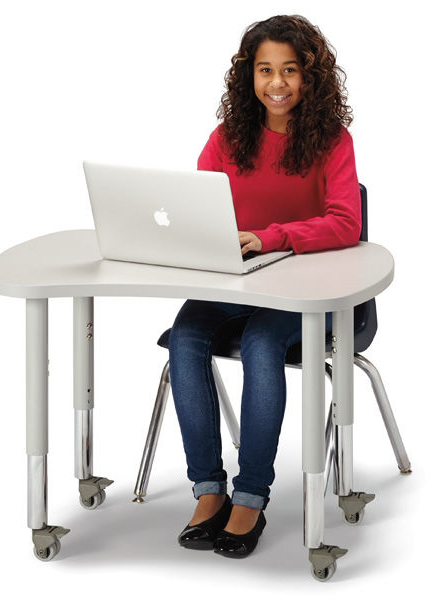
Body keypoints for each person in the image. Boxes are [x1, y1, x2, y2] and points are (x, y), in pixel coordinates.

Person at [171, 14, 361, 558]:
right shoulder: (227, 138)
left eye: (290, 70)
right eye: (265, 70)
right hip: (235, 282)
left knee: (260, 344)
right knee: (185, 338)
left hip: (304, 289)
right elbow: (195, 207)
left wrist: (271, 237)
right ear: (248, 77)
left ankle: (251, 495)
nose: (277, 83)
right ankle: (209, 492)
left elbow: (345, 222)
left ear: (310, 77)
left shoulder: (331, 140)